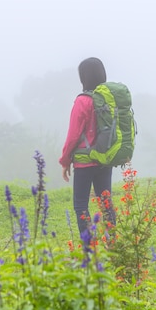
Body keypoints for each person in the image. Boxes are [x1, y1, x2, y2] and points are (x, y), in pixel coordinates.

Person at [59, 57, 116, 237]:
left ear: (84, 77)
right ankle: (114, 247)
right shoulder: (109, 98)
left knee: (81, 206)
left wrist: (65, 160)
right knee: (106, 203)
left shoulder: (82, 101)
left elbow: (73, 135)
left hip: (84, 163)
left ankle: (89, 252)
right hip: (104, 159)